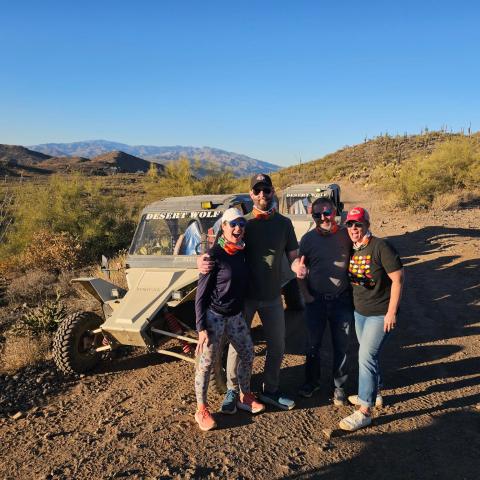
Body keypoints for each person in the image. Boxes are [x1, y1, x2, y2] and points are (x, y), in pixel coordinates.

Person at [198, 173, 299, 411]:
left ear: (273, 191)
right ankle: (234, 391)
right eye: (257, 190)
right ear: (251, 195)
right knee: (237, 346)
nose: (262, 194)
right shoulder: (241, 223)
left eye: (266, 189)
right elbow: (218, 248)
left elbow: (293, 257)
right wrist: (201, 260)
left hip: (273, 296)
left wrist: (299, 267)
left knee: (277, 345)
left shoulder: (284, 224)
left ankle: (270, 390)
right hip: (244, 298)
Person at [194, 208, 265, 431]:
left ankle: (245, 396)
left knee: (247, 353)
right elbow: (201, 294)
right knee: (206, 365)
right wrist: (201, 328)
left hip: (235, 316)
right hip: (214, 317)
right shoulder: (213, 256)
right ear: (223, 227)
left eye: (241, 224)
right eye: (233, 224)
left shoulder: (242, 251)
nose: (238, 228)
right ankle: (201, 409)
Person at [339, 206, 404, 432]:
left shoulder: (381, 246)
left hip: (381, 313)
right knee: (370, 354)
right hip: (360, 312)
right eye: (350, 224)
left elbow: (398, 279)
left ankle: (364, 410)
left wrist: (391, 312)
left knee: (366, 355)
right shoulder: (353, 249)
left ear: (367, 224)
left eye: (358, 224)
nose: (354, 228)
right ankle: (375, 392)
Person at [291, 197, 354, 405]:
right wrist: (305, 295)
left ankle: (339, 387)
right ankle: (312, 382)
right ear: (313, 216)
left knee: (341, 345)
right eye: (318, 215)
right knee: (312, 345)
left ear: (334, 211)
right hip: (316, 300)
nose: (323, 218)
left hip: (341, 300)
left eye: (327, 213)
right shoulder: (308, 239)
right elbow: (300, 270)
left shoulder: (347, 235)